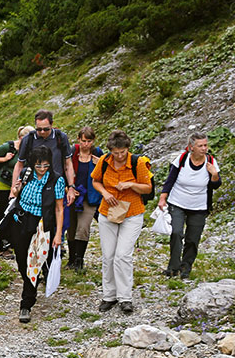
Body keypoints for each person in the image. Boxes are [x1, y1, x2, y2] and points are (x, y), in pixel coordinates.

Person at [91, 130, 153, 314]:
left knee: (123, 255)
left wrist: (131, 185)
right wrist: (106, 193)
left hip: (132, 212)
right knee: (108, 256)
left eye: (122, 152)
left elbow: (148, 188)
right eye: (115, 152)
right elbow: (96, 181)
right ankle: (109, 296)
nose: (119, 156)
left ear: (128, 149)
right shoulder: (104, 161)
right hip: (108, 211)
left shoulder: (138, 163)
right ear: (110, 150)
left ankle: (125, 298)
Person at [8, 147, 65, 323]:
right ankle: (32, 279)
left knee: (33, 263)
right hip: (20, 221)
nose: (42, 169)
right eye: (39, 165)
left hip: (41, 225)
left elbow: (59, 208)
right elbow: (15, 196)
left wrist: (58, 236)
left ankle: (26, 303)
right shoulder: (26, 174)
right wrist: (16, 190)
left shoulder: (57, 180)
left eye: (45, 165)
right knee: (21, 260)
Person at [158, 132, 221, 279]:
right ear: (191, 147)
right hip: (177, 202)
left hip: (199, 206)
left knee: (193, 239)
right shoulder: (181, 159)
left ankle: (186, 267)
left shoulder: (211, 162)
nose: (204, 148)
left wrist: (214, 174)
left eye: (205, 145)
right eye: (200, 146)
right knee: (176, 233)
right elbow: (170, 180)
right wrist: (163, 198)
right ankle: (172, 268)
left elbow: (216, 185)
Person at [11, 109, 79, 208]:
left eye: (46, 129)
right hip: (32, 187)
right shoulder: (28, 139)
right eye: (39, 129)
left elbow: (68, 164)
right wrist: (13, 190)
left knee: (54, 219)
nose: (42, 132)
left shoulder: (60, 137)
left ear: (52, 124)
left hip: (55, 186)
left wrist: (71, 187)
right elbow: (19, 165)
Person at [0, 125, 33, 254]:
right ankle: (3, 245)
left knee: (16, 215)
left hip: (20, 186)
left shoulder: (30, 150)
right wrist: (5, 158)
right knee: (3, 214)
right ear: (20, 138)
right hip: (2, 184)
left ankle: (13, 242)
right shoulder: (9, 147)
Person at [66, 125, 103, 272]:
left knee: (83, 227)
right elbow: (65, 171)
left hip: (90, 197)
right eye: (83, 141)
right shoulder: (72, 153)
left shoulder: (98, 154)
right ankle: (71, 259)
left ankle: (79, 260)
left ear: (93, 141)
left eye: (88, 141)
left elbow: (105, 173)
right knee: (71, 228)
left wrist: (99, 164)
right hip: (72, 195)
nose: (85, 144)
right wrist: (68, 188)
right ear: (78, 140)